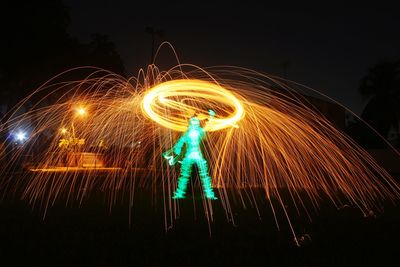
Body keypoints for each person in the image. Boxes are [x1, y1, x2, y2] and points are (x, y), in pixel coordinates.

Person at [163, 110, 217, 199]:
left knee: (204, 175)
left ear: (198, 123)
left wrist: (211, 117)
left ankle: (209, 194)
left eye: (196, 121)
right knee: (184, 175)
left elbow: (208, 127)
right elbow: (179, 144)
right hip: (189, 155)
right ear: (190, 122)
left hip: (198, 155)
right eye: (193, 121)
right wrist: (174, 155)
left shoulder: (200, 131)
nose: (195, 123)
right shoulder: (187, 133)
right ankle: (179, 193)